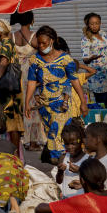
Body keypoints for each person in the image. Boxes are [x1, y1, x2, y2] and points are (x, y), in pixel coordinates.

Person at [24, 25, 88, 165]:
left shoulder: (66, 60)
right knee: (51, 134)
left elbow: (75, 81)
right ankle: (62, 165)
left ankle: (61, 163)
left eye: (44, 43)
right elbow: (31, 82)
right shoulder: (35, 60)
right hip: (44, 106)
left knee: (57, 133)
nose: (41, 46)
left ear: (52, 41)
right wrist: (27, 102)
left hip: (62, 105)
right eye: (39, 43)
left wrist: (83, 102)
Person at [11, 11, 44, 152]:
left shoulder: (13, 36)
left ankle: (23, 139)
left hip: (16, 75)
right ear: (31, 20)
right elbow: (43, 52)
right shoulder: (34, 36)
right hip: (30, 75)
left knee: (21, 106)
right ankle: (33, 141)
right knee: (33, 107)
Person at [0, 19, 23, 147]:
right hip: (9, 90)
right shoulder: (6, 44)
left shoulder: (7, 45)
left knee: (12, 123)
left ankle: (14, 155)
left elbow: (3, 64)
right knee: (11, 123)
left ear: (0, 31)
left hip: (10, 92)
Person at [80, 13, 107, 108]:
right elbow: (85, 60)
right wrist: (91, 58)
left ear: (100, 23)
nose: (94, 26)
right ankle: (101, 123)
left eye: (97, 23)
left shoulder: (103, 34)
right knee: (101, 105)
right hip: (96, 78)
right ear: (88, 25)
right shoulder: (86, 39)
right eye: (92, 24)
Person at [54, 121, 88, 198]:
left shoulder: (87, 159)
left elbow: (92, 181)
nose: (69, 147)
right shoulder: (63, 157)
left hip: (82, 199)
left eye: (73, 144)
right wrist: (60, 171)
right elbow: (59, 181)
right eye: (66, 144)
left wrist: (80, 171)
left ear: (81, 141)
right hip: (66, 198)